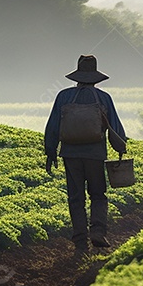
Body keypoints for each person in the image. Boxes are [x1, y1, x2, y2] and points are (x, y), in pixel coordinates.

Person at [44, 55, 127, 253]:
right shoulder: (104, 98)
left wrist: (50, 151)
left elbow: (53, 126)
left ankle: (80, 240)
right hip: (95, 155)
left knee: (76, 197)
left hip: (70, 155)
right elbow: (115, 128)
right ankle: (98, 231)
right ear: (96, 78)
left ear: (77, 76)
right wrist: (121, 147)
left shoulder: (64, 97)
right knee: (98, 195)